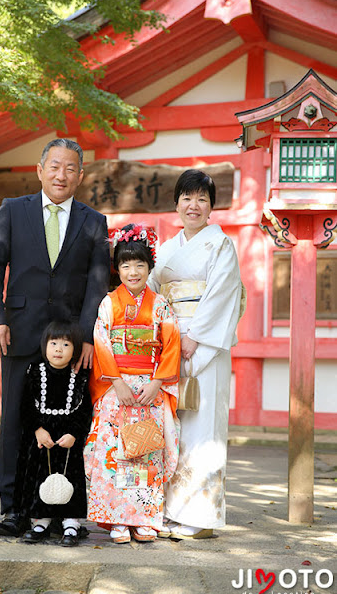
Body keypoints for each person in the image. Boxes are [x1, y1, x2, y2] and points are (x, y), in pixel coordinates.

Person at [0, 138, 110, 537]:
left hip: (69, 341)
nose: (61, 175)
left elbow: (97, 283)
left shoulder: (93, 222)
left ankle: (57, 510)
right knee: (17, 421)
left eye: (70, 168)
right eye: (54, 166)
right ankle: (14, 509)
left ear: (80, 176)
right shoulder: (13, 211)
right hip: (19, 332)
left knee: (68, 421)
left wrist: (87, 336)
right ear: (40, 170)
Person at [148, 169, 243, 540]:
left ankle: (202, 517)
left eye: (202, 199)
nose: (194, 205)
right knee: (176, 430)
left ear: (211, 208)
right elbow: (154, 292)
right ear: (176, 203)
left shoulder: (221, 246)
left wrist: (195, 337)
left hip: (205, 346)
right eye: (187, 198)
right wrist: (167, 337)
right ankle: (174, 509)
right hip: (170, 343)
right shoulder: (167, 249)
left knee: (204, 429)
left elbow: (223, 294)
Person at [84, 224, 181, 544]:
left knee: (146, 452)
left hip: (150, 387)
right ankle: (117, 519)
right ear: (118, 269)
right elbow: (101, 341)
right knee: (116, 452)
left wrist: (157, 383)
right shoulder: (109, 302)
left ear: (149, 267)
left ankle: (143, 519)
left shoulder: (161, 305)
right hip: (117, 387)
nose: (133, 271)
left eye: (139, 264)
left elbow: (171, 344)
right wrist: (116, 382)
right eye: (125, 264)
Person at [14, 321, 93, 547]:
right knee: (39, 477)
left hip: (68, 439)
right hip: (42, 439)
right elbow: (26, 406)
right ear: (45, 345)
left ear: (75, 350)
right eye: (54, 343)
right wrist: (37, 430)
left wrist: (75, 434)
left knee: (71, 477)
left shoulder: (80, 376)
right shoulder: (34, 372)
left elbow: (85, 410)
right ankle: (41, 521)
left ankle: (70, 522)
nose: (59, 349)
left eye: (66, 344)